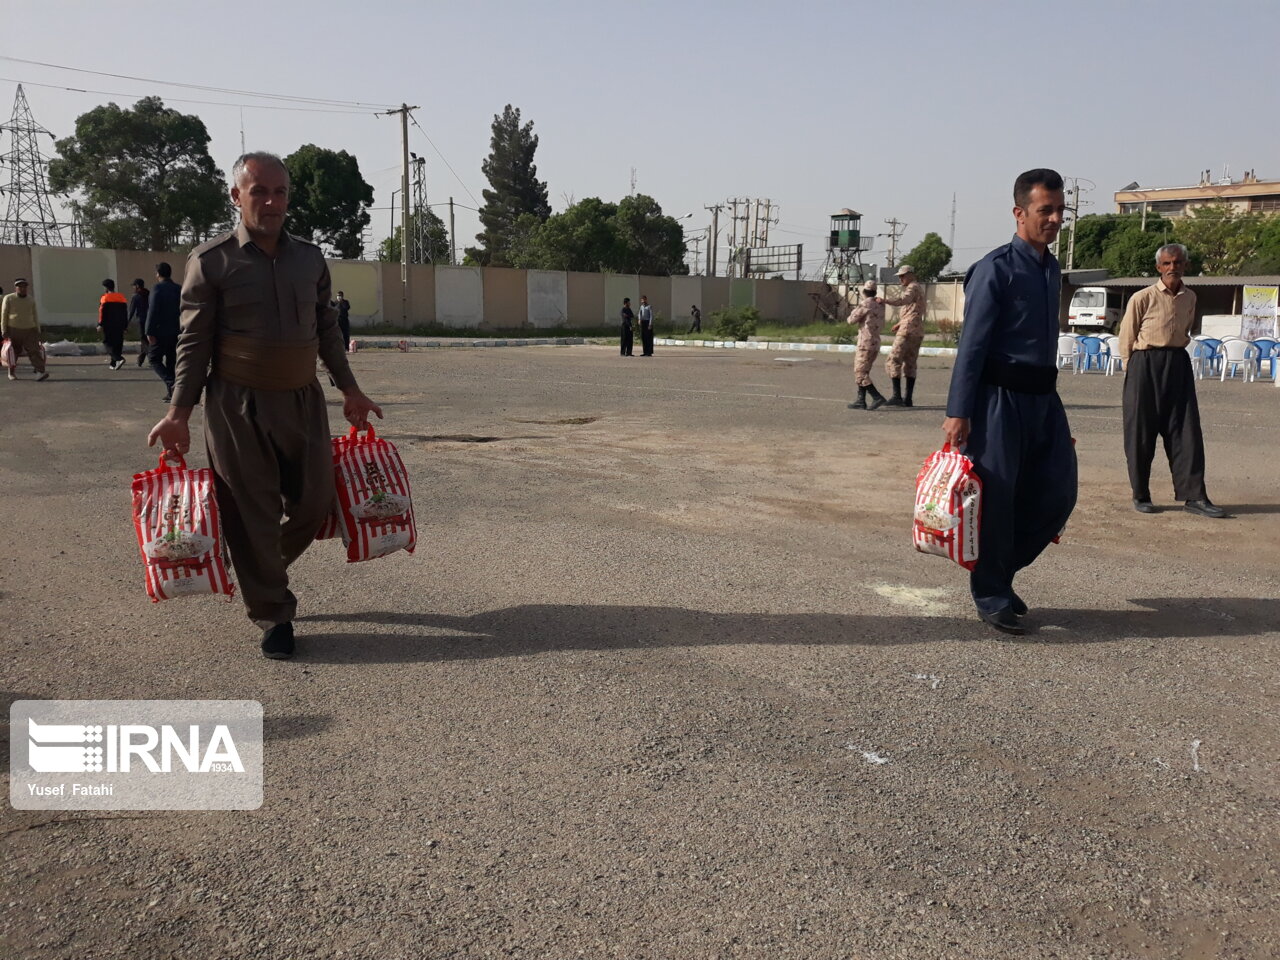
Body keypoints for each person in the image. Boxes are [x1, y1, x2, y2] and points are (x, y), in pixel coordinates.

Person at [147, 152, 382, 660]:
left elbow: (325, 330)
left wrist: (351, 389)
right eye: (259, 191)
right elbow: (193, 343)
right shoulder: (211, 261)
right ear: (237, 196)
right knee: (251, 511)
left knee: (316, 502)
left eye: (279, 192)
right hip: (237, 405)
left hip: (303, 399)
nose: (271, 201)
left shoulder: (310, 259)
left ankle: (254, 562)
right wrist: (179, 412)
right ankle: (273, 612)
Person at [943, 168, 1077, 636]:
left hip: (1043, 398)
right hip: (998, 400)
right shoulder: (994, 269)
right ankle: (991, 591)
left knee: (1056, 493)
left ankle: (1001, 572)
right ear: (1020, 213)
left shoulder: (1051, 268)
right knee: (998, 499)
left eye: (1061, 210)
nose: (1056, 219)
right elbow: (972, 346)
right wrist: (958, 412)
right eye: (1046, 210)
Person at [1118, 243, 1225, 519]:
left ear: (1185, 265)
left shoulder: (1190, 297)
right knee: (1141, 431)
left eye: (1177, 263)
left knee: (1186, 430)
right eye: (1166, 263)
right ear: (1158, 267)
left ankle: (1194, 496)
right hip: (1144, 364)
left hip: (1177, 362)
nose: (1172, 268)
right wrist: (1133, 371)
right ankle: (1141, 494)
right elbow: (1127, 337)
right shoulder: (1142, 297)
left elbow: (1186, 329)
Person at [879, 264, 927, 406]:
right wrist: (900, 322)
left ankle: (897, 396)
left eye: (903, 276)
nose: (901, 279)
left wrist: (885, 300)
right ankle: (908, 398)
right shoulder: (919, 288)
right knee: (910, 363)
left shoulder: (912, 287)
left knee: (893, 359)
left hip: (908, 329)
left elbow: (903, 300)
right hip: (916, 329)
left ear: (911, 274)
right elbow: (915, 310)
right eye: (899, 276)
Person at [846, 281, 887, 410]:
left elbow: (851, 320)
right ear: (875, 291)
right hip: (875, 341)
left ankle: (876, 396)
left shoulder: (865, 303)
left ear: (864, 291)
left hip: (865, 342)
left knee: (859, 371)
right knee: (865, 370)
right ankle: (861, 400)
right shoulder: (880, 304)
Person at [146, 262, 182, 403]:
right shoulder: (178, 288)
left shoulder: (157, 288)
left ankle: (171, 383)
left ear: (158, 274)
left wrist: (149, 331)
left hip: (160, 331)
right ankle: (172, 392)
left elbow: (153, 310)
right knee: (171, 361)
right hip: (176, 330)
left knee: (154, 359)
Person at [2, 278, 49, 381]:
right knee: (13, 352)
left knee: (34, 351)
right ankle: (11, 373)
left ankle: (40, 372)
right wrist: (3, 330)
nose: (22, 288)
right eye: (20, 286)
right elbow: (4, 315)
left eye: (24, 286)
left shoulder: (30, 299)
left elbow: (35, 315)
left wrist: (38, 329)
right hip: (13, 329)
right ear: (16, 288)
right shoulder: (9, 298)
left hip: (30, 329)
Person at [99, 279, 130, 370]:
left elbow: (102, 312)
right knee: (118, 343)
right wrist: (125, 326)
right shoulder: (121, 297)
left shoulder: (105, 298)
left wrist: (100, 324)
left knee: (107, 343)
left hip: (108, 325)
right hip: (120, 324)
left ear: (105, 288)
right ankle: (113, 363)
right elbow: (125, 313)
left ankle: (118, 359)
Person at [129, 279, 150, 367]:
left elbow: (131, 311)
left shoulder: (136, 296)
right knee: (145, 340)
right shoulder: (149, 294)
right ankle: (140, 360)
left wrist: (126, 323)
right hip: (150, 320)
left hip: (141, 321)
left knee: (144, 340)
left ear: (137, 286)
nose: (133, 287)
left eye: (134, 286)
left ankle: (152, 358)